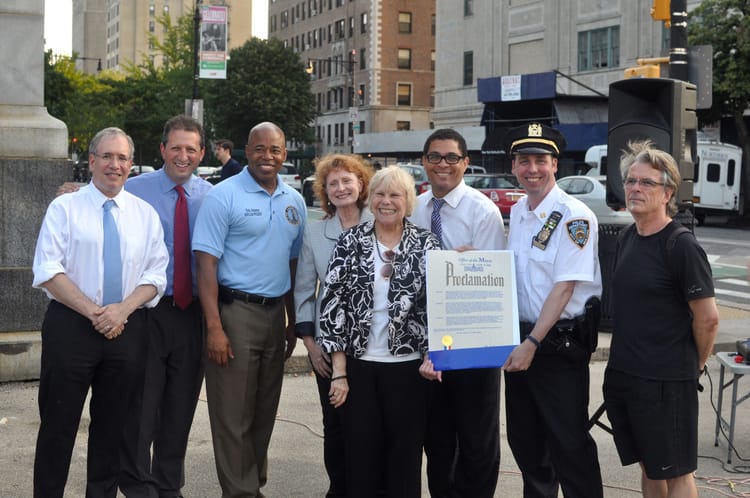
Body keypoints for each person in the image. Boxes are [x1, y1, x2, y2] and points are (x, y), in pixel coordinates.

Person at [31, 127, 169, 498]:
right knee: (58, 425)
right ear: (91, 161)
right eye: (107, 156)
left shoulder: (144, 214)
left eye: (122, 158)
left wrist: (121, 311)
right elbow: (48, 270)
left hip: (126, 328)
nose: (115, 164)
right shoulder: (65, 207)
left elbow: (156, 274)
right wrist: (96, 313)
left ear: (130, 164)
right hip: (71, 327)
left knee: (113, 427)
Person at [192, 121, 306, 497]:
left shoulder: (295, 201)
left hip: (275, 315)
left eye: (275, 149)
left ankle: (251, 484)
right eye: (259, 149)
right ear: (246, 150)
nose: (267, 156)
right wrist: (214, 328)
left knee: (263, 410)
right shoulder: (223, 195)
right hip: (234, 312)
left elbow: (293, 265)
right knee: (232, 413)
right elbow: (205, 264)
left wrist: (292, 321)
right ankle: (240, 492)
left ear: (285, 154)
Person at [603, 141, 719, 498]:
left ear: (668, 192)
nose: (636, 188)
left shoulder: (681, 245)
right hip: (626, 374)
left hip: (667, 380)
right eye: (631, 181)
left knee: (678, 472)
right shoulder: (627, 238)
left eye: (647, 183)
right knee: (649, 467)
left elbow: (708, 319)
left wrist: (693, 364)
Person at [318, 165, 440, 498]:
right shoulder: (350, 241)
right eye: (380, 194)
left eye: (395, 195)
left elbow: (438, 307)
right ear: (370, 200)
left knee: (404, 459)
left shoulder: (427, 245)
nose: (387, 202)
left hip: (409, 369)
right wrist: (339, 373)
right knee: (361, 458)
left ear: (408, 201)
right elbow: (332, 306)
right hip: (360, 367)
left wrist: (434, 355)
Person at [502, 122, 603, 498]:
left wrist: (532, 342)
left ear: (555, 164)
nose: (532, 169)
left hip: (556, 346)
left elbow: (565, 287)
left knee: (568, 445)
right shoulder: (519, 213)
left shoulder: (575, 216)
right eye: (524, 160)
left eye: (540, 160)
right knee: (526, 443)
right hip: (520, 341)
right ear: (513, 166)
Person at [118, 115, 212, 498]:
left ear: (202, 153)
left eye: (191, 149)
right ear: (162, 150)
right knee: (143, 401)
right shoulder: (134, 189)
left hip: (192, 314)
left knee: (181, 402)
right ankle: (136, 481)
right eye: (176, 147)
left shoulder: (211, 196)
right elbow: (96, 197)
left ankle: (168, 483)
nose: (183, 155)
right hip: (148, 311)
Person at [414, 128, 505, 498]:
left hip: (473, 338)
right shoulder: (416, 207)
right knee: (436, 439)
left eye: (452, 157)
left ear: (466, 163)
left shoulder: (483, 212)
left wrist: (469, 268)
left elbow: (492, 285)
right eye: (435, 157)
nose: (443, 165)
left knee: (476, 441)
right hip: (428, 339)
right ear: (424, 162)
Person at [294, 153, 374, 498]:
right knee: (336, 425)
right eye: (333, 183)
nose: (341, 188)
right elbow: (304, 291)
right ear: (324, 191)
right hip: (329, 345)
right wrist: (310, 345)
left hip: (377, 346)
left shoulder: (382, 222)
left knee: (371, 425)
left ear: (361, 185)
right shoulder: (315, 233)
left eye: (347, 180)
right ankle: (339, 488)